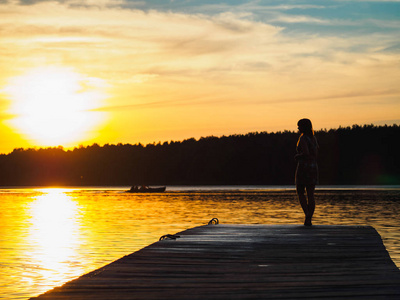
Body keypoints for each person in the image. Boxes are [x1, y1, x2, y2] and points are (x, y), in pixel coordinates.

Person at [295, 118, 319, 226]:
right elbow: (314, 154)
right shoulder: (313, 138)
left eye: (299, 126)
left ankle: (307, 216)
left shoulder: (303, 138)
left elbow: (306, 153)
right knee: (310, 194)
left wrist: (297, 156)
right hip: (313, 167)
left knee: (300, 192)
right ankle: (309, 218)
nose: (298, 128)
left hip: (304, 167)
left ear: (304, 127)